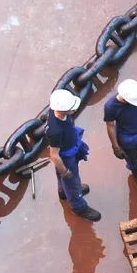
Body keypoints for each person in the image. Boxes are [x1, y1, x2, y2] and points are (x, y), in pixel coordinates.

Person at [46, 88, 101, 222]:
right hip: (65, 157)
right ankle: (78, 206)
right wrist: (65, 171)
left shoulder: (55, 111)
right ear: (63, 110)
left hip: (69, 145)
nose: (74, 110)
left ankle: (63, 192)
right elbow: (54, 155)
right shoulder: (55, 131)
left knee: (66, 181)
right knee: (72, 182)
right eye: (71, 108)